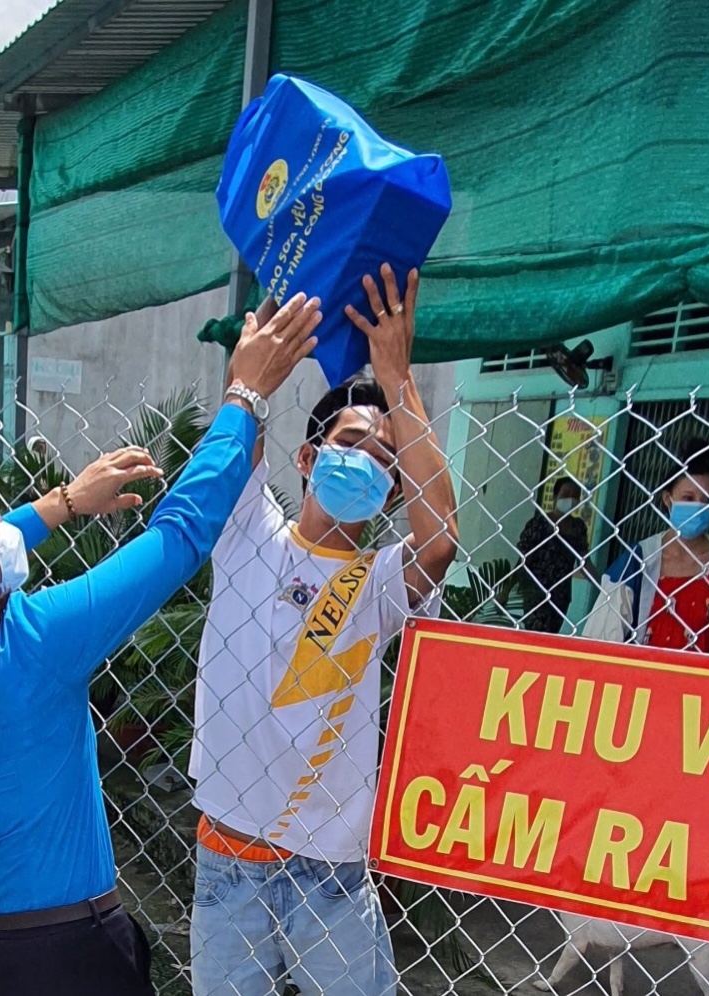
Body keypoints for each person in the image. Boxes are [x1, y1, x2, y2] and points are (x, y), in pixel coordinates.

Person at [0, 293, 322, 996]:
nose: (0, 532)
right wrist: (243, 395)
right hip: (72, 957)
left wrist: (61, 505)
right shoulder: (34, 643)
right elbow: (180, 535)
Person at [188, 265, 459, 996]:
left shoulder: (379, 584)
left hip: (330, 873)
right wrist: (268, 324)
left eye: (383, 459)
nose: (365, 461)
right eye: (349, 442)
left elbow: (439, 543)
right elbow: (240, 418)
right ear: (307, 459)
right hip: (229, 863)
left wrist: (396, 378)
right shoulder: (250, 531)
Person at [583, 437, 709, 655]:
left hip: (701, 686)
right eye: (688, 498)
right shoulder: (639, 559)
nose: (698, 506)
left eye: (706, 500)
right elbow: (600, 639)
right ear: (667, 499)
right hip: (641, 684)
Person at [517, 476, 590, 633]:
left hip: (560, 595)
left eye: (574, 495)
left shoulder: (578, 528)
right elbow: (524, 558)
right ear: (555, 497)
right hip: (535, 592)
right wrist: (507, 588)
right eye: (566, 494)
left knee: (551, 635)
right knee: (535, 635)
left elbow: (584, 562)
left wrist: (602, 584)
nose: (570, 499)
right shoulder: (539, 523)